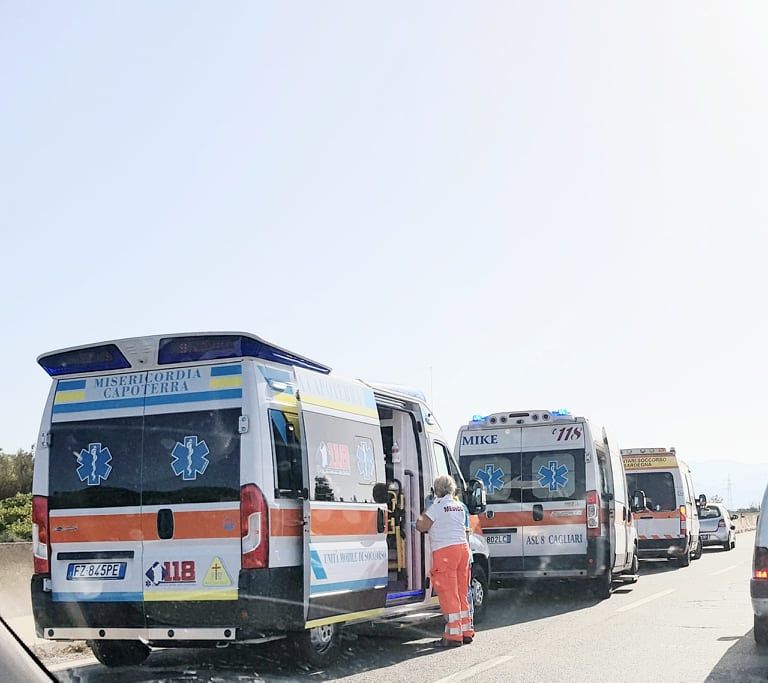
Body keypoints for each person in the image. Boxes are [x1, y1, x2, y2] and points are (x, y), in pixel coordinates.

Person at [416, 475, 474, 647]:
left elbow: (422, 526)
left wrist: (423, 512)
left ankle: (453, 636)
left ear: (436, 490)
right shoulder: (458, 507)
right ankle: (466, 631)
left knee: (449, 593)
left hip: (445, 553)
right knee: (461, 591)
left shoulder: (436, 507)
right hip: (462, 551)